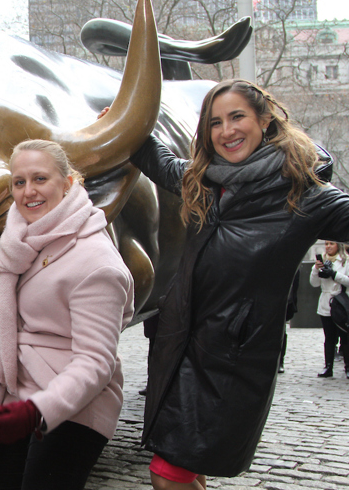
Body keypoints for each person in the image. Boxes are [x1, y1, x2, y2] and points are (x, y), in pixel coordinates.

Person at [127, 79, 349, 489]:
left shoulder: (307, 195)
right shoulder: (207, 181)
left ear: (264, 120)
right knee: (184, 466)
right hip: (180, 346)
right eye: (215, 123)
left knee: (168, 472)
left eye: (237, 117)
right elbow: (163, 164)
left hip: (234, 359)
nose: (226, 131)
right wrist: (125, 127)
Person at [0, 139, 135, 490]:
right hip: (20, 396)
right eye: (19, 182)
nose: (28, 192)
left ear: (69, 182)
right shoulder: (20, 240)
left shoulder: (96, 262)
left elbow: (96, 363)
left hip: (72, 407)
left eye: (40, 179)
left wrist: (36, 411)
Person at [310, 241, 349, 378]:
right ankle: (328, 367)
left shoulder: (345, 261)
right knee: (329, 337)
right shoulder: (323, 261)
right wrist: (316, 269)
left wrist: (334, 274)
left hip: (341, 303)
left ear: (338, 245)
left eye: (331, 243)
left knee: (345, 336)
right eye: (326, 244)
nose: (328, 246)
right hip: (326, 303)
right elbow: (314, 283)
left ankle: (348, 367)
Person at [279, 267, 300, 374]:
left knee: (282, 332)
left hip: (285, 301)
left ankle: (280, 361)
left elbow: (294, 285)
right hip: (270, 300)